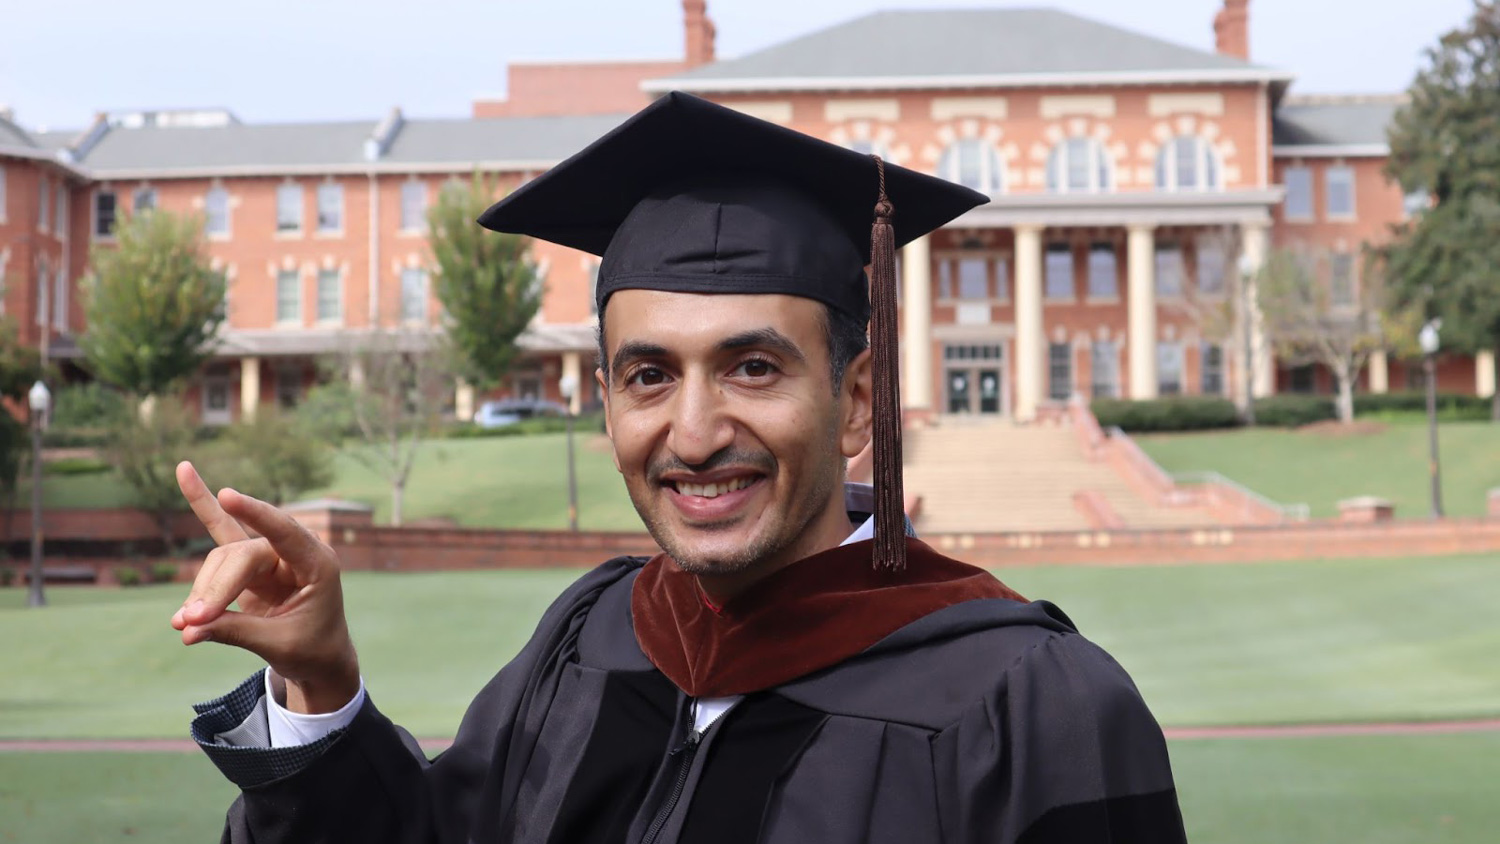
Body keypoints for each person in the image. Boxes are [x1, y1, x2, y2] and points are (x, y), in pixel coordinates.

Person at [172, 91, 1187, 844]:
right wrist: (321, 680)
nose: (695, 434)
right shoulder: (589, 638)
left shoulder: (1033, 703)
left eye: (753, 367)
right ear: (607, 399)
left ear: (860, 402)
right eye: (648, 374)